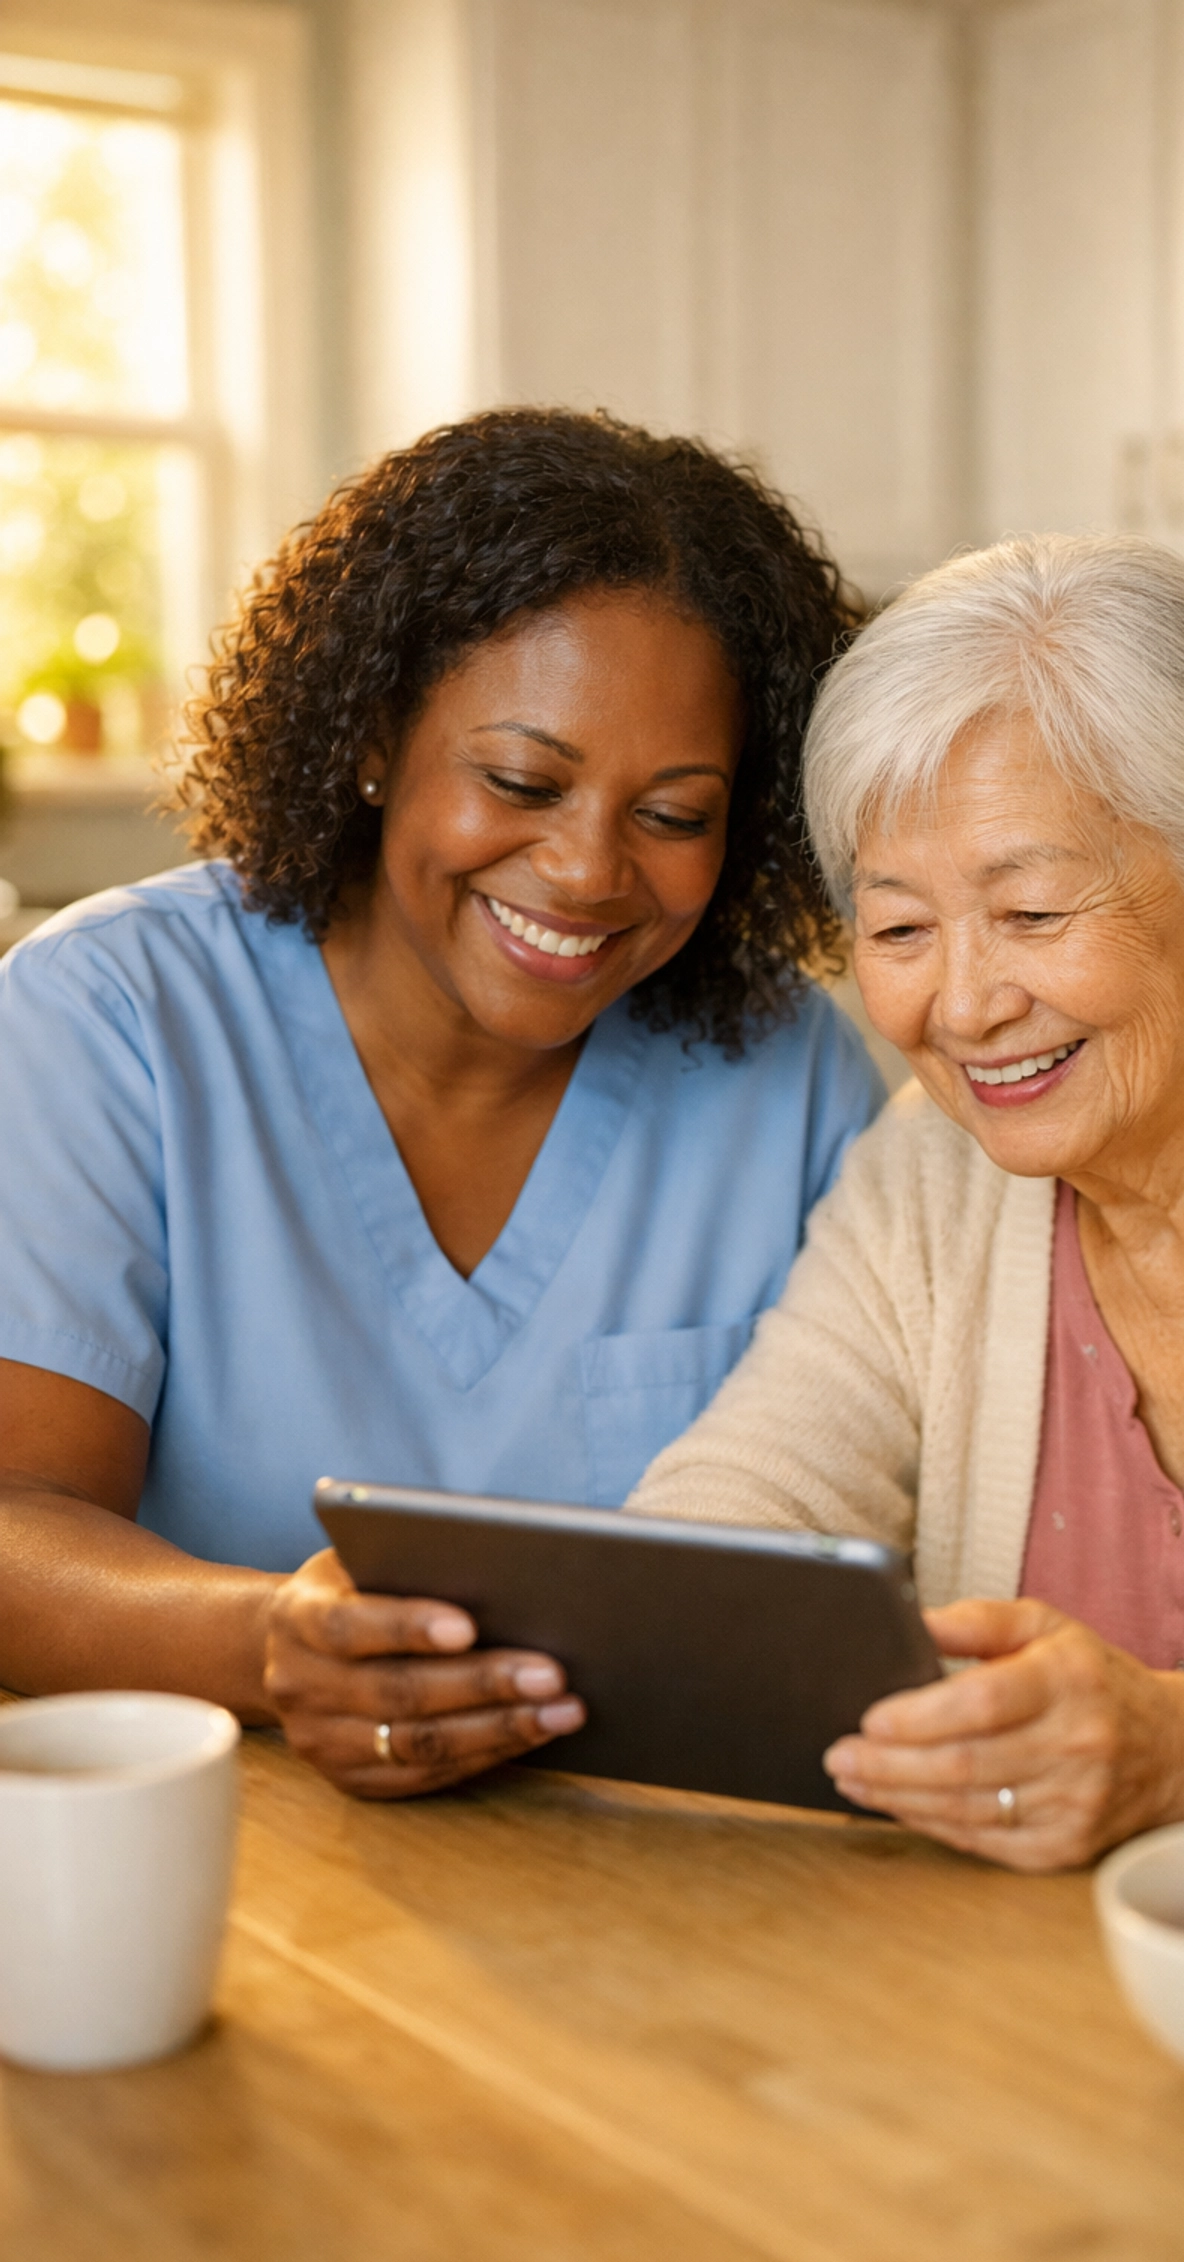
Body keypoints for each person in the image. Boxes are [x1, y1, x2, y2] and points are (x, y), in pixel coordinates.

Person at [0, 408, 883, 1798]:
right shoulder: (112, 1020)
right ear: (371, 735)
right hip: (243, 1842)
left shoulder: (791, 1075)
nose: (590, 872)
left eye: (675, 813)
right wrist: (268, 1646)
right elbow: (14, 1521)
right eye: (522, 780)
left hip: (666, 1874)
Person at [631, 530, 1184, 1868]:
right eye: (898, 930)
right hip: (1009, 2009)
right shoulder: (921, 1180)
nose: (965, 1004)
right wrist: (614, 1635)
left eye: (1035, 913)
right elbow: (750, 1499)